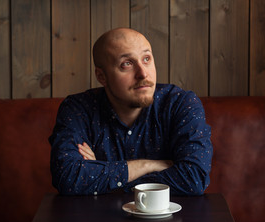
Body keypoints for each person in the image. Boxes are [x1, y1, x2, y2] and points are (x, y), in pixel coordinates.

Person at [49, 28, 212, 196]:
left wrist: (100, 174)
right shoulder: (78, 109)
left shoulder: (180, 104)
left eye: (146, 59)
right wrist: (148, 166)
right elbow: (68, 177)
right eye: (126, 64)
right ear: (101, 76)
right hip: (98, 221)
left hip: (172, 221)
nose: (143, 73)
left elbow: (194, 179)